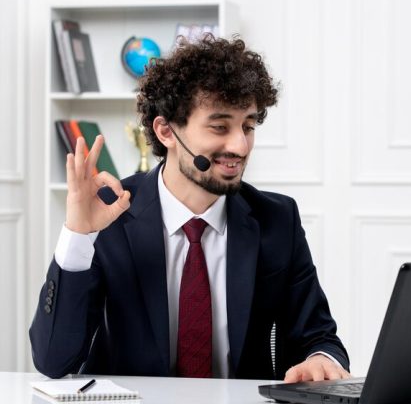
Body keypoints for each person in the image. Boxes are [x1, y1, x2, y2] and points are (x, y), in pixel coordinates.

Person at [29, 35, 350, 382]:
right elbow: (53, 360)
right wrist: (78, 236)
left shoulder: (277, 219)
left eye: (248, 126)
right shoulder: (111, 212)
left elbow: (319, 337)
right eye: (219, 127)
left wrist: (321, 359)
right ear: (166, 130)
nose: (240, 146)